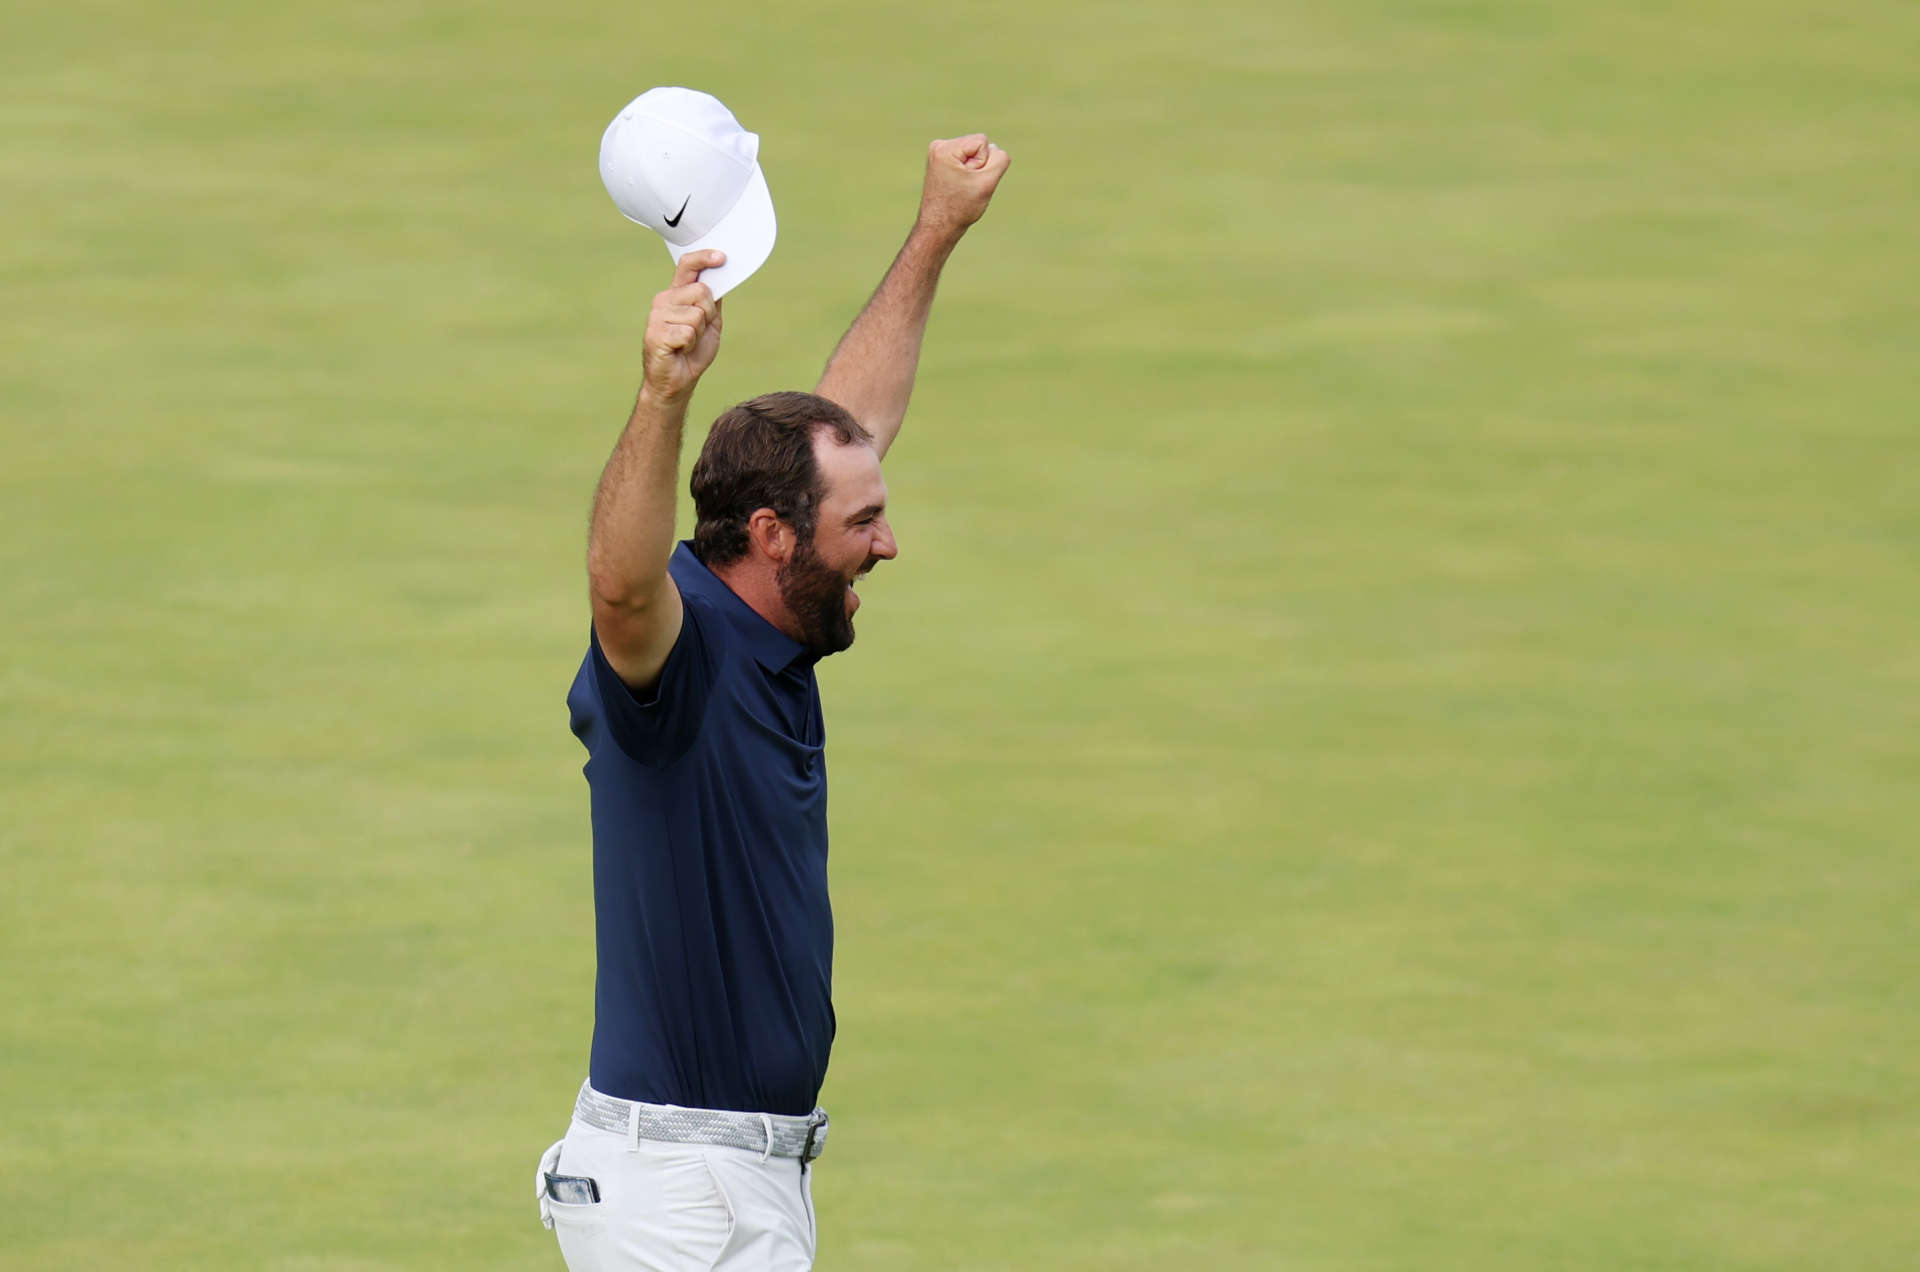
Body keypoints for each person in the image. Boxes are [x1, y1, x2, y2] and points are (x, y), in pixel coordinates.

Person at [534, 133, 1011, 1272]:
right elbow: (616, 585)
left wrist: (938, 226)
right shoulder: (676, 675)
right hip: (672, 1192)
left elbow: (856, 421)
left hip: (744, 1178)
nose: (890, 544)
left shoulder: (771, 624)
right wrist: (661, 395)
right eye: (865, 526)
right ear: (771, 537)